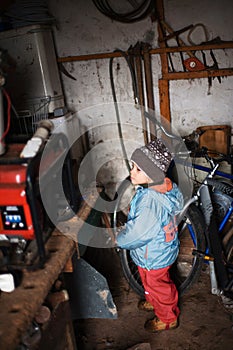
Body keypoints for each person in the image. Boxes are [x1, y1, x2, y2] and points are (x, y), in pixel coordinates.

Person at [115, 138, 184, 332]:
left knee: (158, 285)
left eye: (138, 169)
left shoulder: (150, 200)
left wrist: (119, 239)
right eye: (133, 167)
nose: (131, 172)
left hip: (152, 254)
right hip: (154, 251)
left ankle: (168, 318)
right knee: (150, 281)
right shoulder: (156, 188)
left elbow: (139, 232)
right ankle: (154, 301)